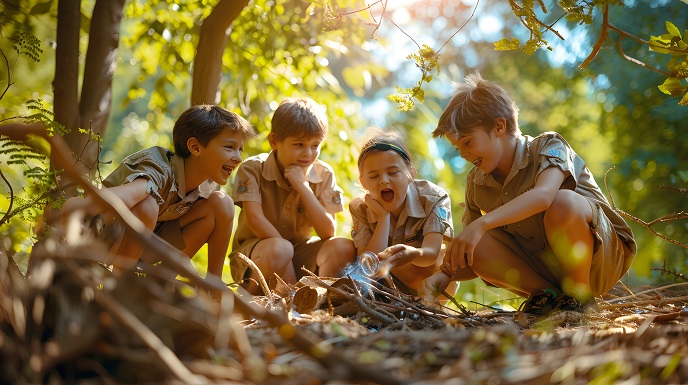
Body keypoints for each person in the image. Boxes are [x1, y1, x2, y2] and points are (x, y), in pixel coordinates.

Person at [419, 72, 637, 315]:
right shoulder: (475, 183)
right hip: (543, 269)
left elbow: (544, 196)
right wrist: (444, 275)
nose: (463, 154)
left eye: (468, 143)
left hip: (600, 259)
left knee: (562, 202)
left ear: (499, 126)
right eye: (457, 148)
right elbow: (472, 252)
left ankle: (579, 298)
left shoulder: (548, 146)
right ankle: (547, 297)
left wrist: (482, 223)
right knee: (478, 239)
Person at [61, 104, 255, 280]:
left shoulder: (205, 185)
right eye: (230, 147)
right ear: (195, 147)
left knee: (223, 203)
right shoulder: (158, 167)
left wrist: (205, 282)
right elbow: (129, 195)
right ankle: (120, 285)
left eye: (240, 149)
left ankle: (180, 285)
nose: (238, 158)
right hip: (102, 239)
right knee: (147, 204)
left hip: (146, 246)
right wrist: (80, 207)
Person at [229, 97, 353, 294]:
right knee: (281, 249)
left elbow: (328, 232)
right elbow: (254, 219)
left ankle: (319, 299)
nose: (308, 154)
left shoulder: (324, 173)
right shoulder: (253, 168)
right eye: (298, 144)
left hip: (300, 255)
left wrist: (303, 187)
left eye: (315, 145)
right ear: (274, 141)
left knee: (343, 246)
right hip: (259, 256)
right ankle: (252, 298)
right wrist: (287, 264)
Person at [347, 129, 454, 294]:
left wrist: (413, 254)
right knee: (341, 249)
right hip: (387, 285)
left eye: (393, 172)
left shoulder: (433, 197)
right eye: (374, 176)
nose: (384, 180)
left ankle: (432, 306)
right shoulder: (360, 207)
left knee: (444, 255)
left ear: (410, 173)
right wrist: (383, 218)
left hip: (428, 282)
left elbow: (431, 254)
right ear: (363, 183)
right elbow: (368, 266)